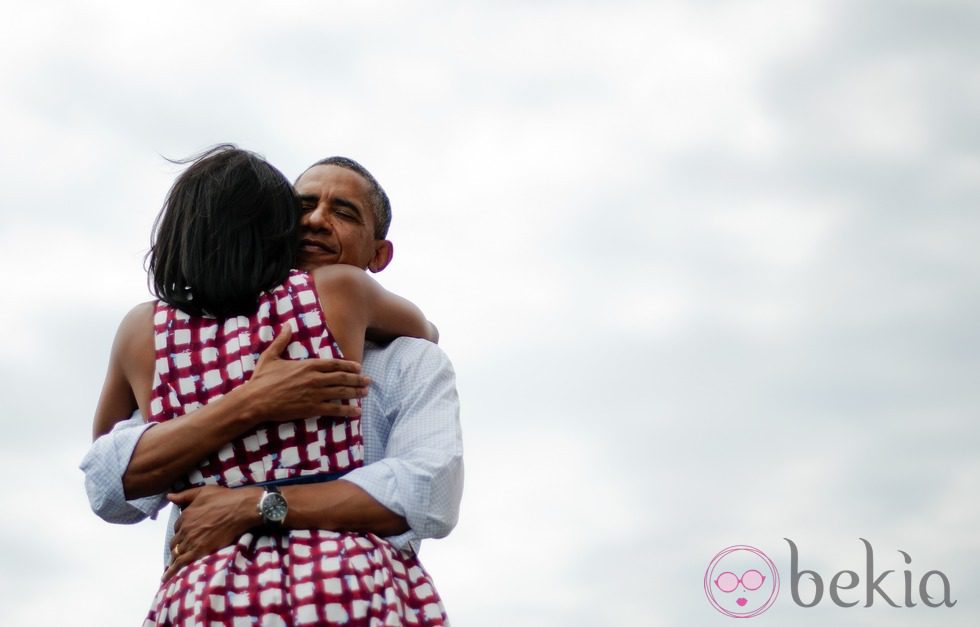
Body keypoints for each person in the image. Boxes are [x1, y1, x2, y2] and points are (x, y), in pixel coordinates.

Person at [88, 146, 458, 625]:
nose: (316, 221)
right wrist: (252, 400)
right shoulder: (341, 295)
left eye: (343, 212)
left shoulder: (155, 338)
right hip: (345, 587)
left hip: (209, 596)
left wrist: (255, 504)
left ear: (379, 253)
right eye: (302, 207)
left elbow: (427, 492)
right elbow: (109, 483)